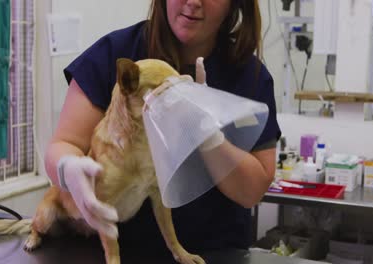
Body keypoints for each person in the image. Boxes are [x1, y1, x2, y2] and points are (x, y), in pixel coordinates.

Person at [45, 0, 281, 255]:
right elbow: (63, 144)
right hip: (111, 252)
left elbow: (252, 191)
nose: (193, 2)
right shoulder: (113, 54)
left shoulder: (248, 75)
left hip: (212, 254)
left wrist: (205, 132)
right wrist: (68, 169)